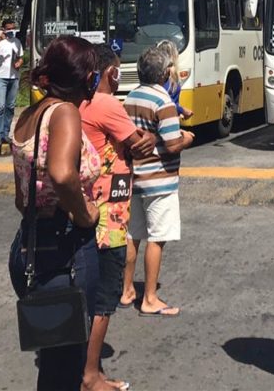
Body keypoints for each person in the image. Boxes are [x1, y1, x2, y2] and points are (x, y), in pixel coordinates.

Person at [8, 35, 103, 391]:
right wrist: (84, 215)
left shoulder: (30, 115)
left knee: (54, 359)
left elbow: (22, 196)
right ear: (84, 77)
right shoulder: (64, 113)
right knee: (66, 363)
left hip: (31, 244)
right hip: (66, 249)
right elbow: (62, 174)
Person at [79, 46, 157, 391]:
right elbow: (143, 143)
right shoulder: (108, 104)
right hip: (109, 210)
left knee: (88, 288)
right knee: (104, 296)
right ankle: (91, 374)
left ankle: (83, 367)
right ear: (112, 73)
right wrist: (151, 136)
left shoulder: (77, 103)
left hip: (86, 203)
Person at [121, 47, 196, 317]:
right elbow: (173, 144)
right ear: (165, 73)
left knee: (133, 235)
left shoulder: (130, 97)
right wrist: (188, 137)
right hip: (159, 180)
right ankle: (149, 298)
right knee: (158, 237)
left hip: (136, 178)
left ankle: (127, 289)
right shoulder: (163, 102)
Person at [0, 18, 23, 153]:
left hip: (14, 77)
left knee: (10, 106)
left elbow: (20, 57)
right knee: (0, 106)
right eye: (8, 28)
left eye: (13, 28)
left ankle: (5, 133)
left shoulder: (17, 42)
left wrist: (19, 62)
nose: (11, 31)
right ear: (3, 29)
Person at [156, 39, 194, 120]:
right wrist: (183, 110)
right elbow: (167, 101)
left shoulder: (157, 73)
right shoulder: (170, 73)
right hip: (167, 118)